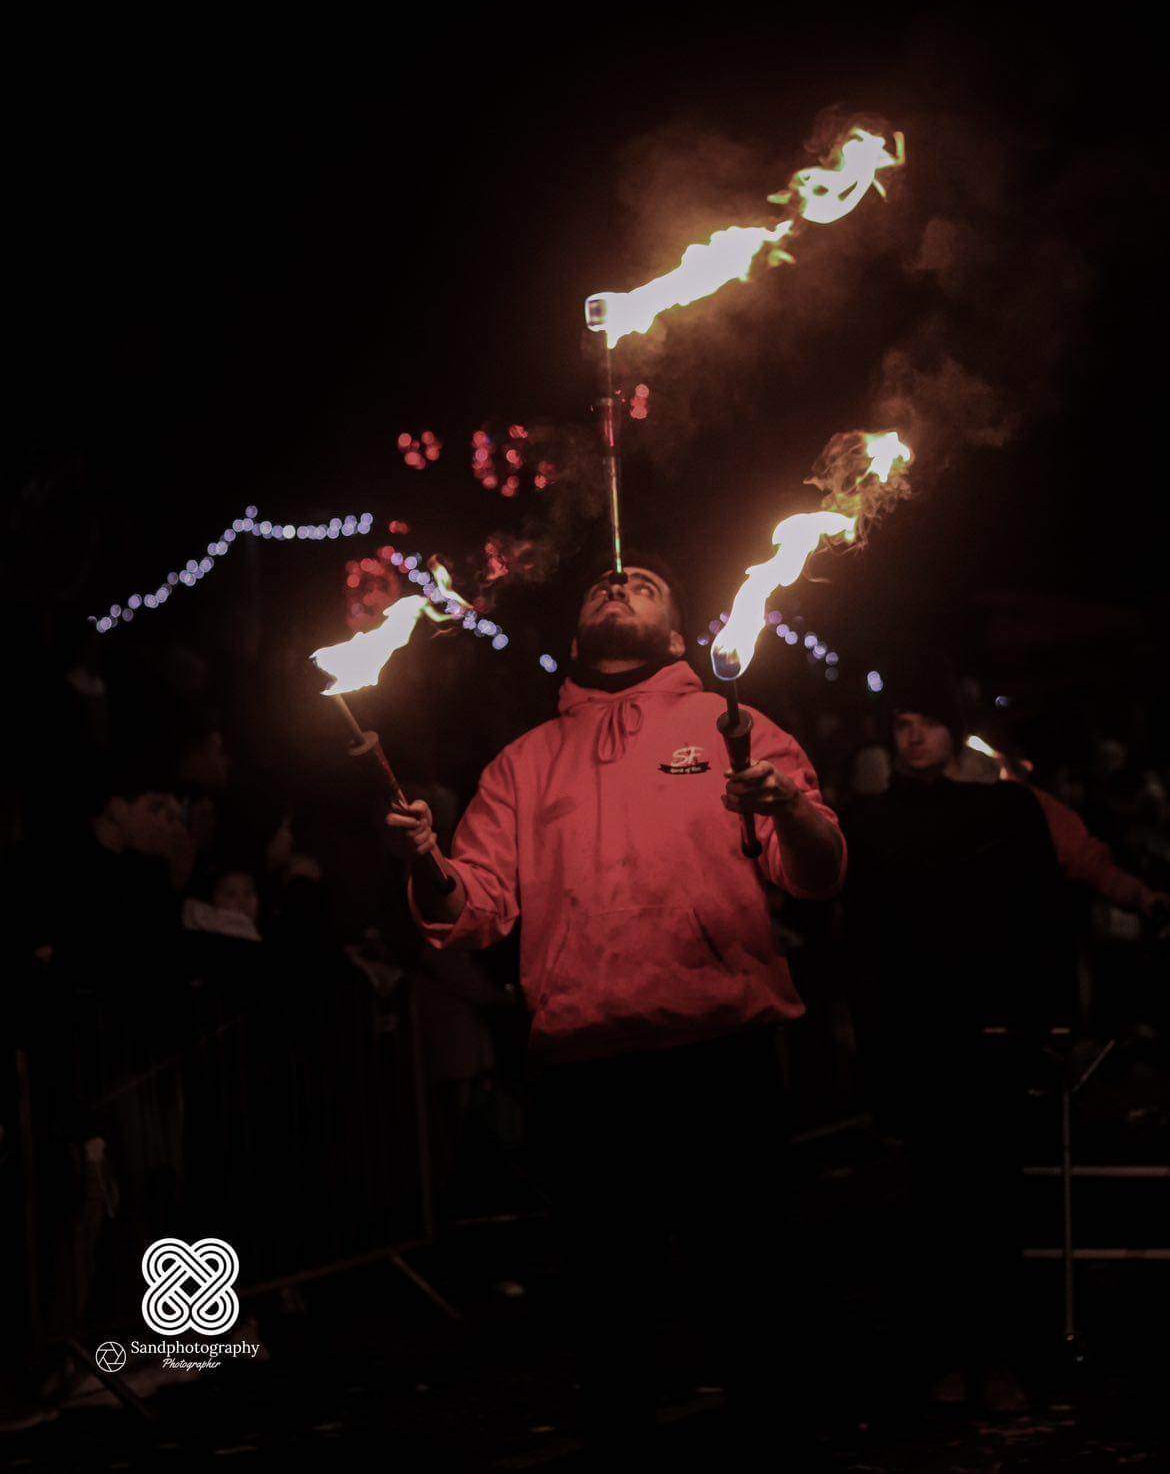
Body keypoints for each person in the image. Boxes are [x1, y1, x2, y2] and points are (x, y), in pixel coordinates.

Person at [386, 555, 844, 1453]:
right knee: (608, 1320)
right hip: (586, 1071)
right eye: (602, 581)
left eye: (642, 581)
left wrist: (788, 806)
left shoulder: (735, 727)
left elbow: (819, 875)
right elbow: (472, 910)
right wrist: (425, 864)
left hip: (722, 1050)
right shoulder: (522, 763)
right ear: (573, 636)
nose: (617, 580)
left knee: (753, 1299)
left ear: (677, 636)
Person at [843, 652, 1169, 1414]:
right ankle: (949, 1360)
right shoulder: (881, 821)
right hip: (921, 1037)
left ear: (953, 731)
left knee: (996, 1201)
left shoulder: (1007, 810)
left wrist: (1048, 1020)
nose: (912, 737)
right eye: (903, 725)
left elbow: (1042, 917)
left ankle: (1004, 1360)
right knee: (933, 1205)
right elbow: (867, 938)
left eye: (925, 723)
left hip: (991, 1033)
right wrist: (874, 1037)